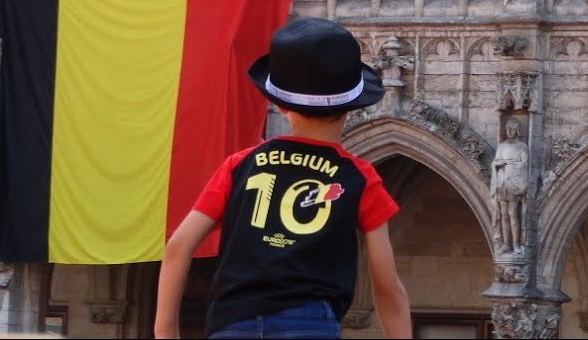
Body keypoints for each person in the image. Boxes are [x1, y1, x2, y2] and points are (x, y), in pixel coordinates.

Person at [153, 18, 411, 339]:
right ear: (350, 108)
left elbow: (178, 246)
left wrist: (166, 332)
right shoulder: (360, 178)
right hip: (308, 324)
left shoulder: (240, 165)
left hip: (232, 322)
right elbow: (387, 287)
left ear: (278, 103)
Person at [491, 117, 529, 255]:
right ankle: (506, 244)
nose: (509, 132)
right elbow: (495, 162)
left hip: (514, 184)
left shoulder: (522, 146)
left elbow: (525, 164)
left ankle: (516, 244)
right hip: (502, 183)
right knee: (503, 215)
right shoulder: (502, 146)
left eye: (512, 129)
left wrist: (511, 163)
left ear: (517, 130)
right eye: (507, 129)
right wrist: (498, 163)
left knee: (513, 214)